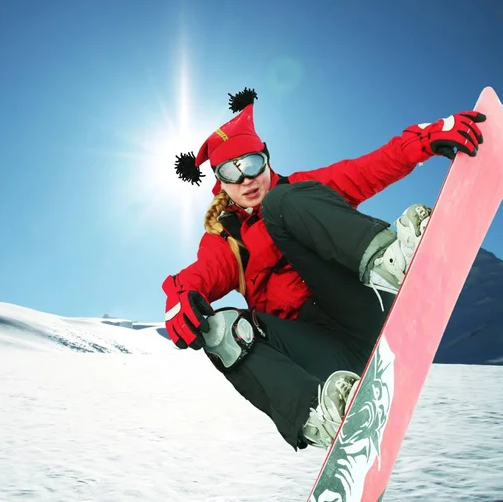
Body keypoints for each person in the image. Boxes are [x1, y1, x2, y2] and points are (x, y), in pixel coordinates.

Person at [161, 88, 486, 451]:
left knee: (280, 203)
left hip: (367, 311)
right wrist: (181, 297)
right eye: (231, 172)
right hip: (327, 360)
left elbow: (366, 170)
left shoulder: (298, 192)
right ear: (220, 183)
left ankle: (389, 263)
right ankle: (319, 416)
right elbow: (202, 273)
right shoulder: (227, 240)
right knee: (222, 330)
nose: (246, 180)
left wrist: (422, 140)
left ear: (266, 159)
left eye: (251, 163)